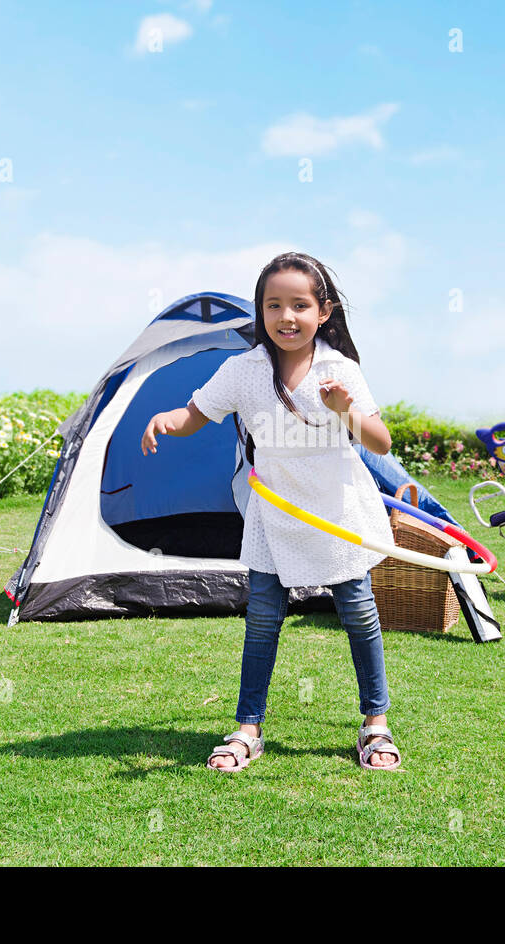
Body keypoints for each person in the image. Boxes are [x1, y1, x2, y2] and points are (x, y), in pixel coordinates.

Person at [140, 252, 402, 771]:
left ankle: (375, 724)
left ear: (323, 312)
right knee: (261, 620)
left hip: (335, 508)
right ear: (260, 312)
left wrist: (344, 409)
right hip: (274, 512)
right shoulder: (243, 370)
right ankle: (247, 728)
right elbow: (196, 415)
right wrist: (166, 419)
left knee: (358, 615)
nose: (287, 316)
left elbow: (382, 442)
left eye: (299, 305)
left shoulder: (338, 369)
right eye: (273, 305)